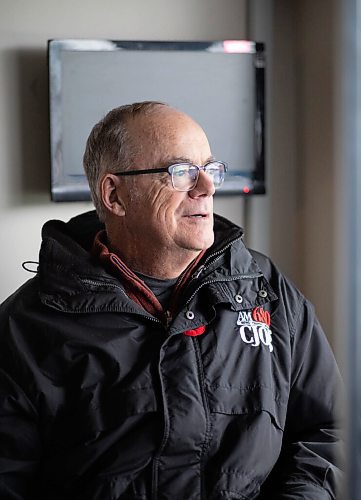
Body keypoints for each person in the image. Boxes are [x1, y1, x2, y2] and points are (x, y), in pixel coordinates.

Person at [0, 101, 342, 499]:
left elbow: (328, 431)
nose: (208, 187)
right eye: (181, 172)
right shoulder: (25, 329)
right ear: (115, 195)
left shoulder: (267, 291)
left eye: (210, 170)